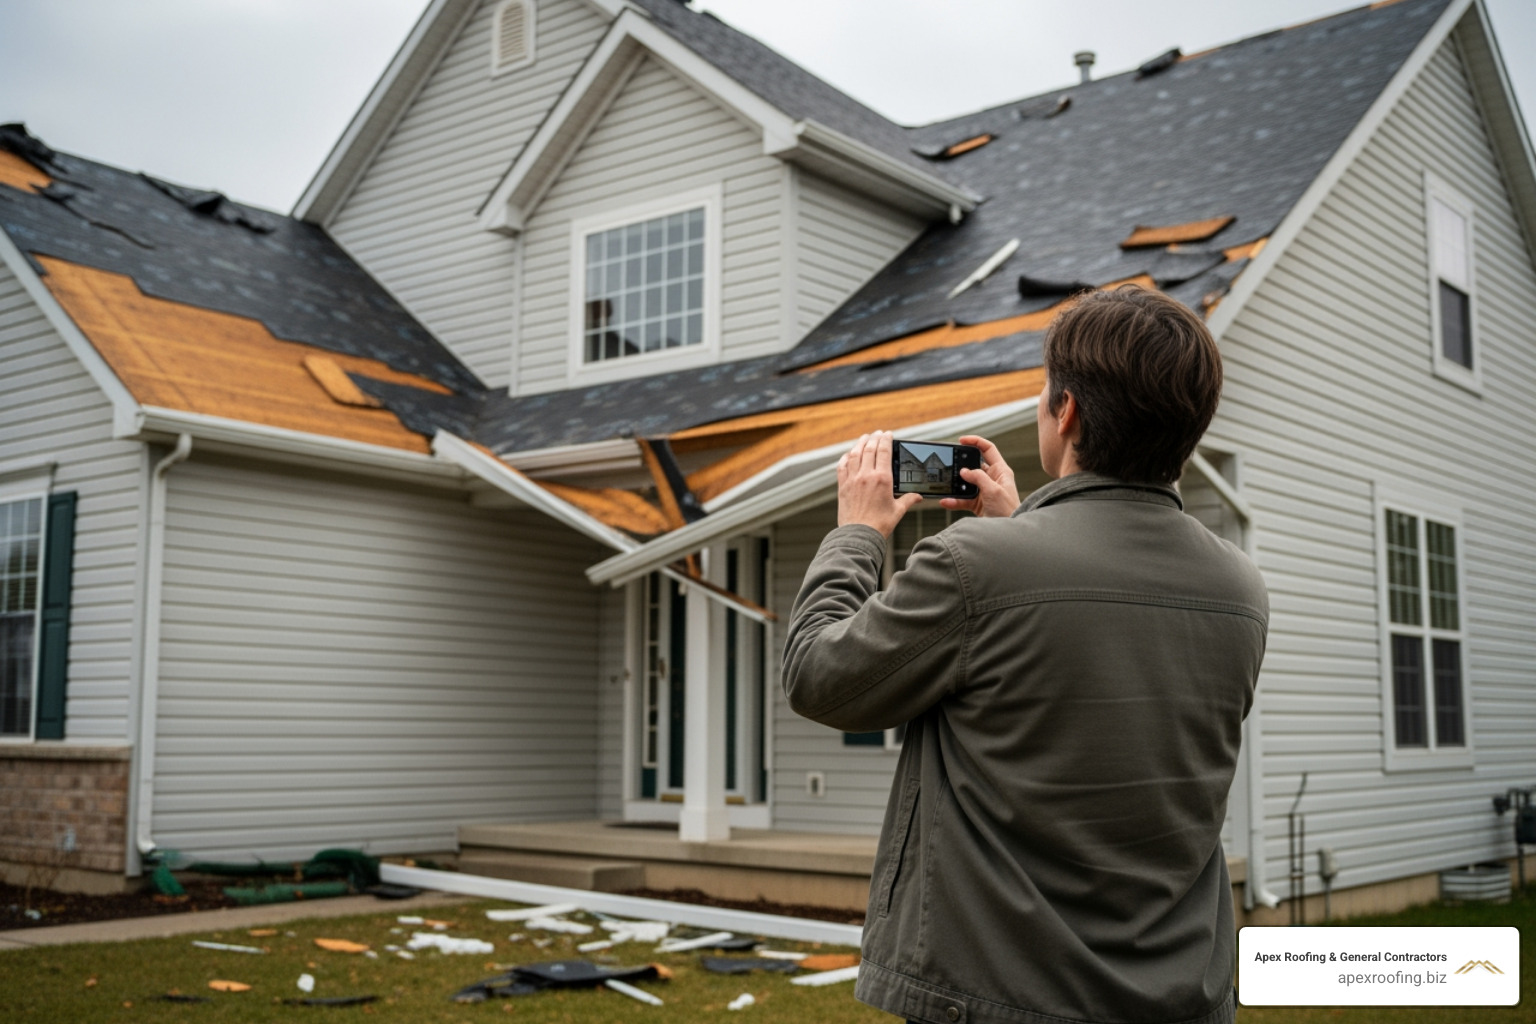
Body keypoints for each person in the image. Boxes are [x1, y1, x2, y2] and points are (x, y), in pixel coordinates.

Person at [782, 286, 1268, 1024]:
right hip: (1179, 997)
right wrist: (1021, 524)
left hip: (1002, 995)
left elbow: (818, 676)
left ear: (1065, 411)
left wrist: (859, 532)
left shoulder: (979, 567)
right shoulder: (1240, 588)